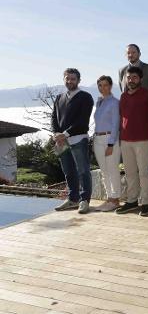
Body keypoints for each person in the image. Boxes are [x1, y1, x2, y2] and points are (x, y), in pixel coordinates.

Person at [51, 68, 94, 214]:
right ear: (64, 79)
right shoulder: (59, 97)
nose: (70, 81)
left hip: (78, 140)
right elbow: (54, 119)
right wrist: (56, 134)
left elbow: (82, 121)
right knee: (68, 171)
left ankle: (84, 201)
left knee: (83, 171)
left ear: (79, 80)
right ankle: (72, 199)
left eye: (73, 79)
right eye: (67, 78)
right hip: (62, 142)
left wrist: (65, 134)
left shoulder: (86, 97)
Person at [116, 66, 148, 217]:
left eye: (134, 77)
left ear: (140, 79)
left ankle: (146, 202)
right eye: (129, 77)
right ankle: (132, 200)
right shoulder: (123, 96)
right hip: (126, 140)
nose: (131, 80)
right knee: (130, 172)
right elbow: (122, 117)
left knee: (144, 173)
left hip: (143, 139)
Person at [92, 75, 121, 212]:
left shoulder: (115, 102)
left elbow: (116, 124)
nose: (102, 88)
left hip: (110, 139)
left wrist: (111, 144)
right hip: (97, 139)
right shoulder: (99, 102)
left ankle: (115, 200)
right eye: (100, 85)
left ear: (110, 86)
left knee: (112, 170)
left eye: (105, 85)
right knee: (104, 172)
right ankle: (109, 198)